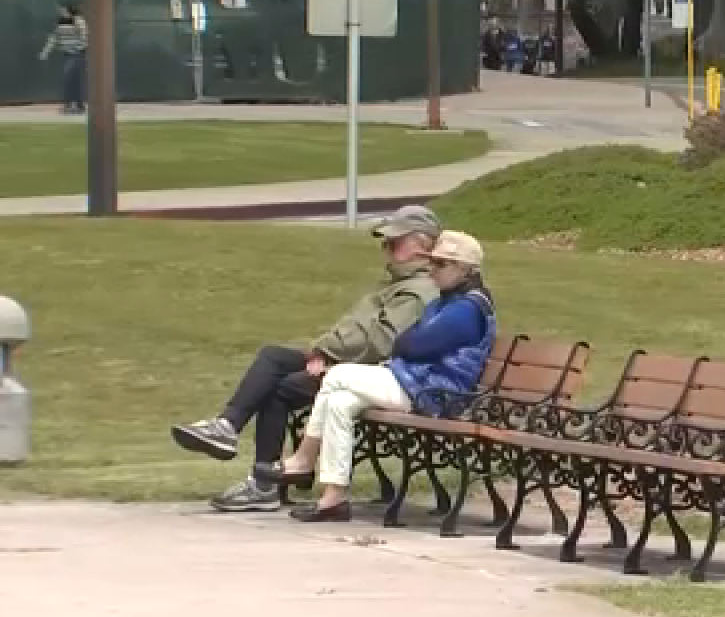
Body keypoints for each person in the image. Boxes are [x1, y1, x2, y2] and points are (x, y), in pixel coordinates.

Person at [169, 207, 445, 511]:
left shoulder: (419, 291)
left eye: (393, 242)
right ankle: (227, 427)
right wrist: (324, 351)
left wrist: (328, 354)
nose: (385, 248)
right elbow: (357, 329)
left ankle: (262, 484)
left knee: (281, 388)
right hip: (345, 360)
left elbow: (381, 342)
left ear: (422, 246)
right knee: (273, 357)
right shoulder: (396, 283)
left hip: (371, 374)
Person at [257, 231, 496, 523]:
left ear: (465, 270)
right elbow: (406, 343)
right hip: (413, 382)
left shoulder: (468, 309)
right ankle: (333, 498)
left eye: (441, 264)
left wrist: (411, 343)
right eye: (432, 263)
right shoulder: (443, 303)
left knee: (338, 374)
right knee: (339, 403)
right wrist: (411, 343)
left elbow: (413, 345)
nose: (432, 269)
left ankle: (303, 460)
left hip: (436, 394)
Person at [38, 0, 88, 114]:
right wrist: (45, 53)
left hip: (78, 54)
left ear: (67, 8)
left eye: (60, 8)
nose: (58, 10)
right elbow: (54, 38)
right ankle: (76, 105)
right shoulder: (62, 22)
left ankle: (72, 105)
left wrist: (78, 48)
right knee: (73, 80)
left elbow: (85, 37)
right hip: (68, 55)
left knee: (70, 78)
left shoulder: (79, 21)